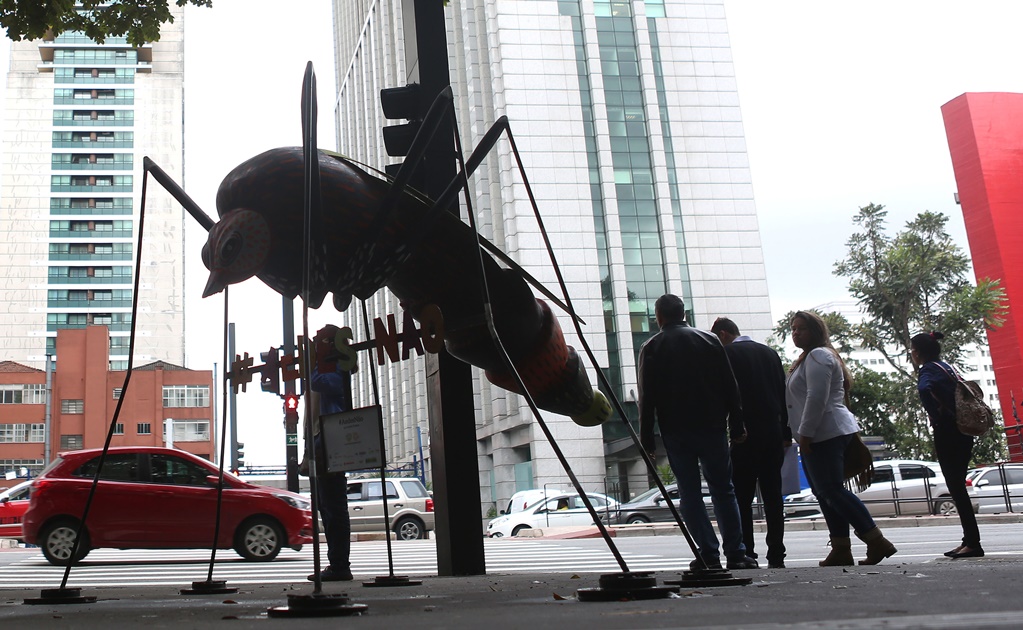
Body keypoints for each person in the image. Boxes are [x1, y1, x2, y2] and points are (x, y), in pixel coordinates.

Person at [638, 294, 758, 571]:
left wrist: (647, 439)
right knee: (723, 490)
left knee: (689, 493)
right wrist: (737, 423)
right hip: (712, 425)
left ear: (659, 316)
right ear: (683, 314)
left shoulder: (652, 346)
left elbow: (647, 398)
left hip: (676, 429)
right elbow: (730, 386)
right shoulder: (710, 340)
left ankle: (708, 553)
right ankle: (737, 553)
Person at [786, 310, 896, 566]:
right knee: (824, 492)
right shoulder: (807, 358)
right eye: (793, 328)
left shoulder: (819, 355)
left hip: (825, 432)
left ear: (815, 331)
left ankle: (877, 541)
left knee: (831, 490)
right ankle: (841, 549)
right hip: (819, 432)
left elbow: (816, 397)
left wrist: (805, 434)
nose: (795, 333)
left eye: (801, 328)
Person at [711, 317, 792, 569]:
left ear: (723, 334)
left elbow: (725, 395)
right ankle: (776, 553)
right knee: (773, 496)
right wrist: (785, 432)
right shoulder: (770, 354)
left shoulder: (726, 355)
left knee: (742, 498)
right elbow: (782, 392)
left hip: (744, 434)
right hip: (773, 434)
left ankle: (749, 553)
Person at [911, 331, 984, 559]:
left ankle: (972, 543)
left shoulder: (928, 370)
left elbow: (924, 389)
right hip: (962, 430)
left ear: (918, 352)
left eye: (912, 350)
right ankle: (968, 541)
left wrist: (935, 416)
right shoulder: (947, 367)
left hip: (948, 432)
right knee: (958, 485)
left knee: (956, 487)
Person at [306, 324, 355, 582]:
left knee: (334, 506)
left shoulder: (337, 368)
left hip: (332, 439)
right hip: (321, 439)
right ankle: (335, 563)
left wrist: (316, 362)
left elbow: (319, 382)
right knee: (327, 506)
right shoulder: (328, 367)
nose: (315, 346)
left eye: (319, 342)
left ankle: (339, 564)